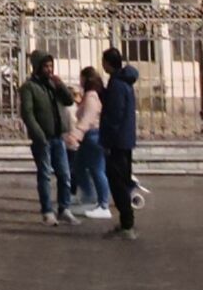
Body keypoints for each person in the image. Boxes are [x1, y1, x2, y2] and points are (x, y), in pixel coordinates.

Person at [19, 50, 79, 226]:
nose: (49, 69)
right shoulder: (29, 87)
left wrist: (60, 85)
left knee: (64, 174)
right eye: (45, 66)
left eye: (51, 66)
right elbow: (28, 114)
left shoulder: (53, 85)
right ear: (37, 68)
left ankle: (64, 208)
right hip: (42, 139)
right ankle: (47, 211)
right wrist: (39, 135)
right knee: (45, 175)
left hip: (58, 137)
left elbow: (69, 101)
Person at [100, 46, 140, 236]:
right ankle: (126, 222)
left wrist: (107, 140)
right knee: (121, 180)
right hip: (125, 139)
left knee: (117, 182)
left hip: (117, 141)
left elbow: (114, 115)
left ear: (108, 63)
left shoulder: (116, 84)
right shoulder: (124, 82)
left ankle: (127, 223)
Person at [67, 65, 112, 218]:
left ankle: (103, 204)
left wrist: (76, 134)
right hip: (89, 136)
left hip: (93, 135)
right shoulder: (90, 95)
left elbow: (88, 117)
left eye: (81, 78)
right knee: (79, 167)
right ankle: (89, 198)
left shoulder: (92, 95)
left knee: (97, 169)